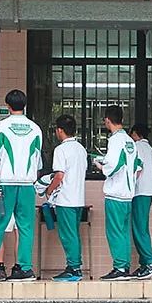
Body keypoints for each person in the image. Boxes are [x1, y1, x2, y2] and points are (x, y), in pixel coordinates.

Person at [0, 90, 42, 282]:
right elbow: (37, 160)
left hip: (5, 184)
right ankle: (25, 268)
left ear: (7, 105)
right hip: (27, 185)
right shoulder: (35, 128)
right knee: (26, 227)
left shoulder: (1, 127)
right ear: (24, 105)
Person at [96, 105, 142, 281]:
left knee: (114, 232)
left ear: (107, 120)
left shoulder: (115, 140)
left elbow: (113, 166)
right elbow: (138, 166)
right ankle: (125, 266)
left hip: (115, 193)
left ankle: (120, 267)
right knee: (123, 232)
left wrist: (101, 166)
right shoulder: (130, 141)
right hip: (128, 193)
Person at [46, 114, 89, 283]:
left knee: (67, 235)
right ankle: (74, 265)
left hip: (65, 199)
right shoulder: (81, 149)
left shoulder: (61, 150)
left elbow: (59, 176)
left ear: (60, 130)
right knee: (74, 234)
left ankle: (73, 268)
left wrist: (49, 190)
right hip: (78, 198)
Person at [129, 123, 152, 280]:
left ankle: (150, 262)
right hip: (148, 191)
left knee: (139, 229)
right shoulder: (149, 148)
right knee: (141, 227)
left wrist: (128, 183)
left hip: (140, 191)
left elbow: (137, 168)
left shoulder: (137, 147)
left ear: (135, 133)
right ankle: (144, 264)